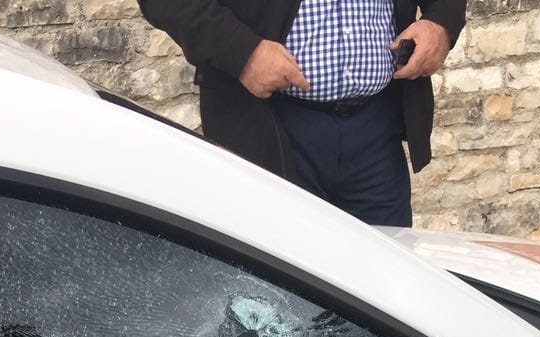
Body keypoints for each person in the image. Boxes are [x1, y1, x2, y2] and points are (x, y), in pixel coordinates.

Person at [138, 0, 466, 227]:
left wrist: (442, 23)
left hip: (377, 133)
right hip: (266, 128)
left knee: (387, 286)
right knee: (273, 294)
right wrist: (242, 52)